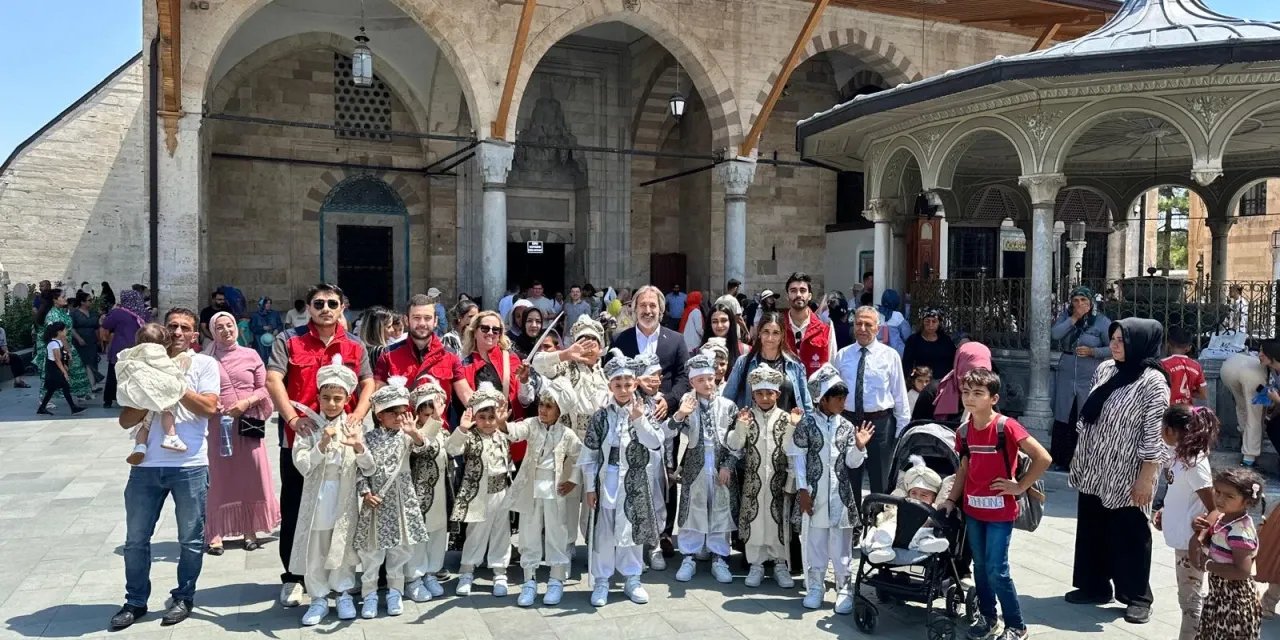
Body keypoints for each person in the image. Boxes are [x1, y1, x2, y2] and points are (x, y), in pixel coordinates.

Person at [109, 308, 221, 631]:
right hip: (146, 466)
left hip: (189, 464)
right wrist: (150, 387)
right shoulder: (143, 362)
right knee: (135, 539)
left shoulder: (205, 364)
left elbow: (209, 407)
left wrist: (173, 384)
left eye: (184, 327)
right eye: (172, 326)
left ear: (194, 335)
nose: (177, 332)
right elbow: (125, 420)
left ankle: (184, 596)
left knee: (190, 538)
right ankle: (135, 601)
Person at [266, 283, 375, 609]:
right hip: (301, 440)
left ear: (342, 306)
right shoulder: (289, 340)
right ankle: (294, 577)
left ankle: (338, 576)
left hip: (343, 442)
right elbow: (273, 379)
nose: (325, 308)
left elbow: (368, 381)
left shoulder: (355, 345)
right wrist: (291, 418)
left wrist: (358, 412)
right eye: (318, 303)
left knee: (341, 510)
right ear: (309, 307)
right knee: (296, 509)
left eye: (332, 303)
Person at [1065, 318, 1169, 625]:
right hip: (1096, 465)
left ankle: (1136, 596)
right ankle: (1095, 585)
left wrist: (1147, 478)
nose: (1114, 344)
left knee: (1131, 533)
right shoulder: (1106, 369)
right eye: (1113, 338)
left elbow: (1155, 435)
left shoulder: (1153, 382)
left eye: (1122, 340)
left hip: (1128, 471)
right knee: (1093, 527)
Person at [939, 367, 1051, 640]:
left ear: (994, 398)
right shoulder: (964, 431)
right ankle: (988, 618)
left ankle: (1016, 625)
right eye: (966, 392)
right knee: (979, 566)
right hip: (973, 511)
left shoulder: (1005, 426)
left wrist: (1020, 487)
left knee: (997, 569)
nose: (970, 398)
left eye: (978, 393)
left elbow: (1043, 458)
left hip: (1000, 512)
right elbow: (963, 469)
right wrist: (951, 500)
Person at [290, 355, 370, 626]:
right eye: (326, 398)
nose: (332, 403)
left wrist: (358, 447)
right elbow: (302, 465)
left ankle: (344, 591)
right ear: (319, 397)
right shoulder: (309, 427)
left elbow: (369, 466)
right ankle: (319, 597)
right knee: (317, 547)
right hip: (319, 496)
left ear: (347, 398)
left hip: (345, 496)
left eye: (338, 398)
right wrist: (321, 445)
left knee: (343, 546)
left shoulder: (356, 426)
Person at [610, 284, 690, 555]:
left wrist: (668, 401)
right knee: (632, 472)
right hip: (629, 418)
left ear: (661, 310)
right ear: (633, 310)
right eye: (642, 306)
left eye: (652, 306)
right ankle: (632, 527)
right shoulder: (621, 340)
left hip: (664, 417)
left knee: (665, 476)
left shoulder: (676, 340)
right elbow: (610, 375)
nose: (647, 311)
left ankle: (664, 533)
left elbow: (682, 378)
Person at [580, 353, 664, 607]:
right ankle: (602, 580)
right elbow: (590, 454)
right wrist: (589, 486)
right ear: (610, 386)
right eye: (618, 385)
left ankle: (632, 578)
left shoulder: (645, 411)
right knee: (605, 530)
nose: (624, 389)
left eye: (628, 384)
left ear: (635, 384)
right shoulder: (601, 416)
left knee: (632, 530)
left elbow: (656, 443)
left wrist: (639, 420)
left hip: (635, 481)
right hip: (607, 480)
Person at [790, 364, 872, 613]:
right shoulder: (806, 424)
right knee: (815, 541)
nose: (842, 403)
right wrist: (802, 490)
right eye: (837, 398)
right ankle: (815, 586)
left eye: (844, 398)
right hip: (813, 495)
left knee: (841, 545)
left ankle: (843, 587)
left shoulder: (847, 427)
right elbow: (798, 458)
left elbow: (851, 463)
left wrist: (859, 447)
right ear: (822, 399)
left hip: (840, 496)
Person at [530, 315, 609, 564]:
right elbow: (537, 363)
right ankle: (564, 547)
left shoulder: (605, 373)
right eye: (581, 340)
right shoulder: (564, 367)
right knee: (567, 497)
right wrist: (566, 354)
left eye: (592, 341)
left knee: (593, 497)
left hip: (597, 447)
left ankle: (595, 546)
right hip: (567, 445)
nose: (586, 345)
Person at [204, 312, 281, 554]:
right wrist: (210, 403)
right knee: (219, 476)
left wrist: (246, 403)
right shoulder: (205, 359)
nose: (226, 331)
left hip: (248, 423)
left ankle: (250, 528)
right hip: (218, 425)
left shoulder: (251, 355)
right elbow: (196, 386)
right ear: (212, 331)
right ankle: (215, 531)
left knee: (252, 474)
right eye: (220, 327)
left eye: (230, 326)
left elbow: (265, 388)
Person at [499, 385, 582, 607]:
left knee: (557, 533)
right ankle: (529, 581)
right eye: (541, 405)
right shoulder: (532, 425)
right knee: (529, 533)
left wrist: (573, 479)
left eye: (548, 406)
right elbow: (516, 433)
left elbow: (581, 455)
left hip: (555, 490)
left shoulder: (566, 433)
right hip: (531, 488)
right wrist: (501, 424)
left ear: (559, 411)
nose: (543, 410)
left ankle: (556, 580)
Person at [354, 380, 430, 619]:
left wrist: (414, 433)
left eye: (402, 412)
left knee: (400, 549)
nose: (398, 417)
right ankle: (370, 594)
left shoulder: (406, 436)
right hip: (376, 502)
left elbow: (423, 448)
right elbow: (359, 469)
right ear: (379, 415)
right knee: (372, 551)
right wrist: (365, 492)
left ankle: (395, 591)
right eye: (392, 412)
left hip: (401, 501)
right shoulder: (368, 438)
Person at [724, 364, 801, 588]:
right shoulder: (747, 417)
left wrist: (793, 428)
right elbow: (735, 445)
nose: (765, 398)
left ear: (778, 394)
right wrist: (740, 427)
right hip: (753, 482)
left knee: (779, 520)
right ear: (753, 394)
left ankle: (779, 564)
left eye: (769, 393)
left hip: (778, 482)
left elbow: (791, 450)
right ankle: (756, 564)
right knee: (755, 519)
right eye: (760, 393)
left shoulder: (787, 419)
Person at [664, 351, 738, 583]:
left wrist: (727, 465)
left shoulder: (728, 406)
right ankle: (689, 556)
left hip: (719, 465)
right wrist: (680, 413)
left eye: (710, 378)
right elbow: (668, 432)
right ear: (692, 382)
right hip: (694, 466)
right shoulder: (687, 404)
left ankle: (719, 557)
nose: (707, 383)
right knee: (692, 511)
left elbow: (738, 442)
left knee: (720, 509)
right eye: (701, 379)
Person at [1152, 404, 1219, 640]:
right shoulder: (1179, 457)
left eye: (1162, 426)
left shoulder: (1194, 463)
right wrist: (1164, 511)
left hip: (1189, 544)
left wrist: (1197, 540)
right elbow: (1179, 493)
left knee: (1190, 601)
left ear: (1171, 430)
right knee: (1187, 597)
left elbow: (1214, 508)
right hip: (1181, 539)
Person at [446, 383, 515, 598]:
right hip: (477, 493)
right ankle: (467, 570)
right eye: (482, 417)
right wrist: (463, 429)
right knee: (476, 533)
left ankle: (499, 571)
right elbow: (452, 448)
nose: (487, 422)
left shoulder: (502, 435)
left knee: (501, 532)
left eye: (491, 418)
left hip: (501, 491)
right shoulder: (471, 437)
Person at [834, 306, 910, 500]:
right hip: (849, 421)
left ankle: (876, 521)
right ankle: (854, 524)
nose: (863, 328)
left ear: (878, 328)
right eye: (858, 323)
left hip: (880, 424)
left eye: (868, 324)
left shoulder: (890, 356)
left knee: (880, 479)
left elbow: (899, 395)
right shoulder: (842, 355)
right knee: (850, 476)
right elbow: (834, 393)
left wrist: (901, 433)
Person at [1191, 468, 1265, 639]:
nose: (1220, 499)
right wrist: (1199, 528)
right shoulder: (1225, 519)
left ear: (1247, 502)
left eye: (1229, 496)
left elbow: (1242, 571)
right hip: (1219, 596)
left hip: (1235, 602)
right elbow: (1218, 545)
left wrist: (1208, 564)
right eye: (1217, 492)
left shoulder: (1240, 532)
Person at [1049, 286, 1111, 469]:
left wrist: (1094, 351)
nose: (1080, 304)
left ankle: (1083, 460)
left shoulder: (1101, 322)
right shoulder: (1066, 318)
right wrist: (1074, 319)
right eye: (1076, 300)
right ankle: (1060, 459)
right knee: (1064, 414)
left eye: (1084, 301)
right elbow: (1055, 334)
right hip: (1067, 373)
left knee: (1084, 415)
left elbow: (1113, 348)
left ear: (1091, 303)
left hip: (1089, 374)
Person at [374, 294, 471, 409]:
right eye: (416, 318)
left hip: (438, 425)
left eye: (427, 318)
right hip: (401, 425)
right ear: (406, 320)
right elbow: (377, 399)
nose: (422, 323)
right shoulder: (388, 355)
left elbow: (465, 394)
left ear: (435, 321)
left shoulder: (450, 356)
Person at [403, 377, 451, 603]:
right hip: (418, 494)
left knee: (437, 531)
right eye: (426, 413)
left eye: (435, 411)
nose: (432, 417)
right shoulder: (412, 434)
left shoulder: (442, 431)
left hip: (440, 492)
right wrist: (434, 422)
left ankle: (431, 571)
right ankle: (413, 577)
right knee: (419, 534)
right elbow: (422, 446)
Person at [116, 323, 190, 459]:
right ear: (166, 343)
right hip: (156, 389)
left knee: (144, 422)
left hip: (139, 393)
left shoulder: (133, 353)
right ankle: (170, 436)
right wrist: (178, 374)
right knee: (168, 408)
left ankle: (140, 446)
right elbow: (167, 368)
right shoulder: (158, 353)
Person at [860, 454, 951, 564]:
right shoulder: (900, 501)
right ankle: (882, 549)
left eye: (924, 495)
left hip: (918, 534)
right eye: (913, 493)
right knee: (886, 528)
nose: (917, 497)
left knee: (928, 530)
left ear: (933, 498)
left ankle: (928, 543)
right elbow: (888, 509)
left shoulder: (933, 508)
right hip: (896, 532)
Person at [723, 311, 812, 413]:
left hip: (788, 427)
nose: (770, 338)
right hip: (751, 426)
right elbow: (727, 401)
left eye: (775, 333)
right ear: (759, 332)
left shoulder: (795, 366)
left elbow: (807, 404)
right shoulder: (743, 363)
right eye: (766, 331)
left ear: (782, 335)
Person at [1219, 344, 1278, 467]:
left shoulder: (1264, 365)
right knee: (1254, 415)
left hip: (1229, 368)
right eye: (1260, 351)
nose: (1259, 354)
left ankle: (1244, 441)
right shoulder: (1265, 366)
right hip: (1249, 374)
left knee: (1243, 408)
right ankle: (1249, 457)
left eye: (1264, 352)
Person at [36, 288, 92, 402]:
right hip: (59, 347)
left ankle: (80, 393)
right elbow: (61, 335)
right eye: (63, 297)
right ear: (55, 300)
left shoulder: (61, 311)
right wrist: (68, 351)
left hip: (66, 345)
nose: (65, 298)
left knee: (75, 368)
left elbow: (68, 330)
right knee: (57, 372)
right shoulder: (53, 315)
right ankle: (44, 399)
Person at [916, 341, 994, 423]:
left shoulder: (987, 395)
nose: (974, 382)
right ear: (959, 367)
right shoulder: (932, 393)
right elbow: (916, 430)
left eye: (982, 377)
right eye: (968, 374)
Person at [102, 289, 150, 408]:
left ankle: (109, 399)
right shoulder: (143, 313)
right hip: (138, 347)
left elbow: (106, 324)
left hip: (120, 347)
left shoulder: (118, 312)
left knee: (114, 373)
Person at [782, 273, 837, 376]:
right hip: (785, 390)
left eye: (803, 290)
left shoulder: (825, 327)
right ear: (787, 296)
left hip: (815, 391)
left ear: (810, 296)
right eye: (793, 291)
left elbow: (832, 364)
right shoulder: (778, 326)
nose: (798, 294)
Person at [35, 322, 86, 415]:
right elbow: (57, 360)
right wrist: (64, 372)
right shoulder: (54, 344)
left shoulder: (58, 342)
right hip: (54, 370)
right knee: (65, 386)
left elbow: (63, 356)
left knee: (52, 390)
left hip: (55, 369)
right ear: (59, 332)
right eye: (64, 330)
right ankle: (73, 408)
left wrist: (66, 362)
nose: (66, 331)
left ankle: (42, 408)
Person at [902, 308, 956, 381]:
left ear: (939, 323)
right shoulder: (913, 340)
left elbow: (953, 361)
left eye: (934, 321)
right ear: (922, 322)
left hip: (943, 384)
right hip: (922, 385)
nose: (930, 325)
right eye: (927, 321)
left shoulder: (946, 340)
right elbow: (907, 364)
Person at [1162, 326, 1207, 406]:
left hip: (1169, 412)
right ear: (1188, 348)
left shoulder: (1163, 364)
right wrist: (1188, 392)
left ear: (1168, 344)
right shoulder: (1196, 366)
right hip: (1187, 412)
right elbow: (1203, 394)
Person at [70, 291, 103, 387]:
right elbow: (71, 327)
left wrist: (99, 340)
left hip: (92, 340)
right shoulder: (75, 314)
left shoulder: (93, 313)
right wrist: (78, 338)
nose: (91, 302)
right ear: (82, 302)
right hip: (79, 340)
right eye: (89, 300)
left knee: (92, 361)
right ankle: (86, 383)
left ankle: (92, 383)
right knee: (83, 362)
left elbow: (97, 326)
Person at [250, 298, 285, 364]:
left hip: (273, 338)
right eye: (266, 303)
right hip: (259, 341)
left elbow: (280, 324)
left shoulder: (275, 313)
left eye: (269, 303)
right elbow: (252, 328)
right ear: (261, 304)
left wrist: (277, 330)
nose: (268, 305)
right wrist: (262, 328)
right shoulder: (255, 315)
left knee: (274, 357)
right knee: (262, 358)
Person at [876, 290, 910, 355]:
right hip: (897, 353)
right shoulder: (897, 316)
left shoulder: (875, 313)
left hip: (879, 353)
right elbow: (907, 336)